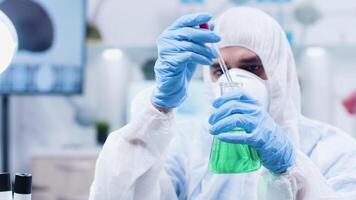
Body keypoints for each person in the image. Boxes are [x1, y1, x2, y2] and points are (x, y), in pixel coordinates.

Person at [89, 7, 356, 200]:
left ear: (279, 71)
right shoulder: (186, 146)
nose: (236, 82)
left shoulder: (331, 149)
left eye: (252, 67)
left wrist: (291, 168)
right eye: (220, 70)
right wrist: (156, 112)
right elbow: (118, 193)